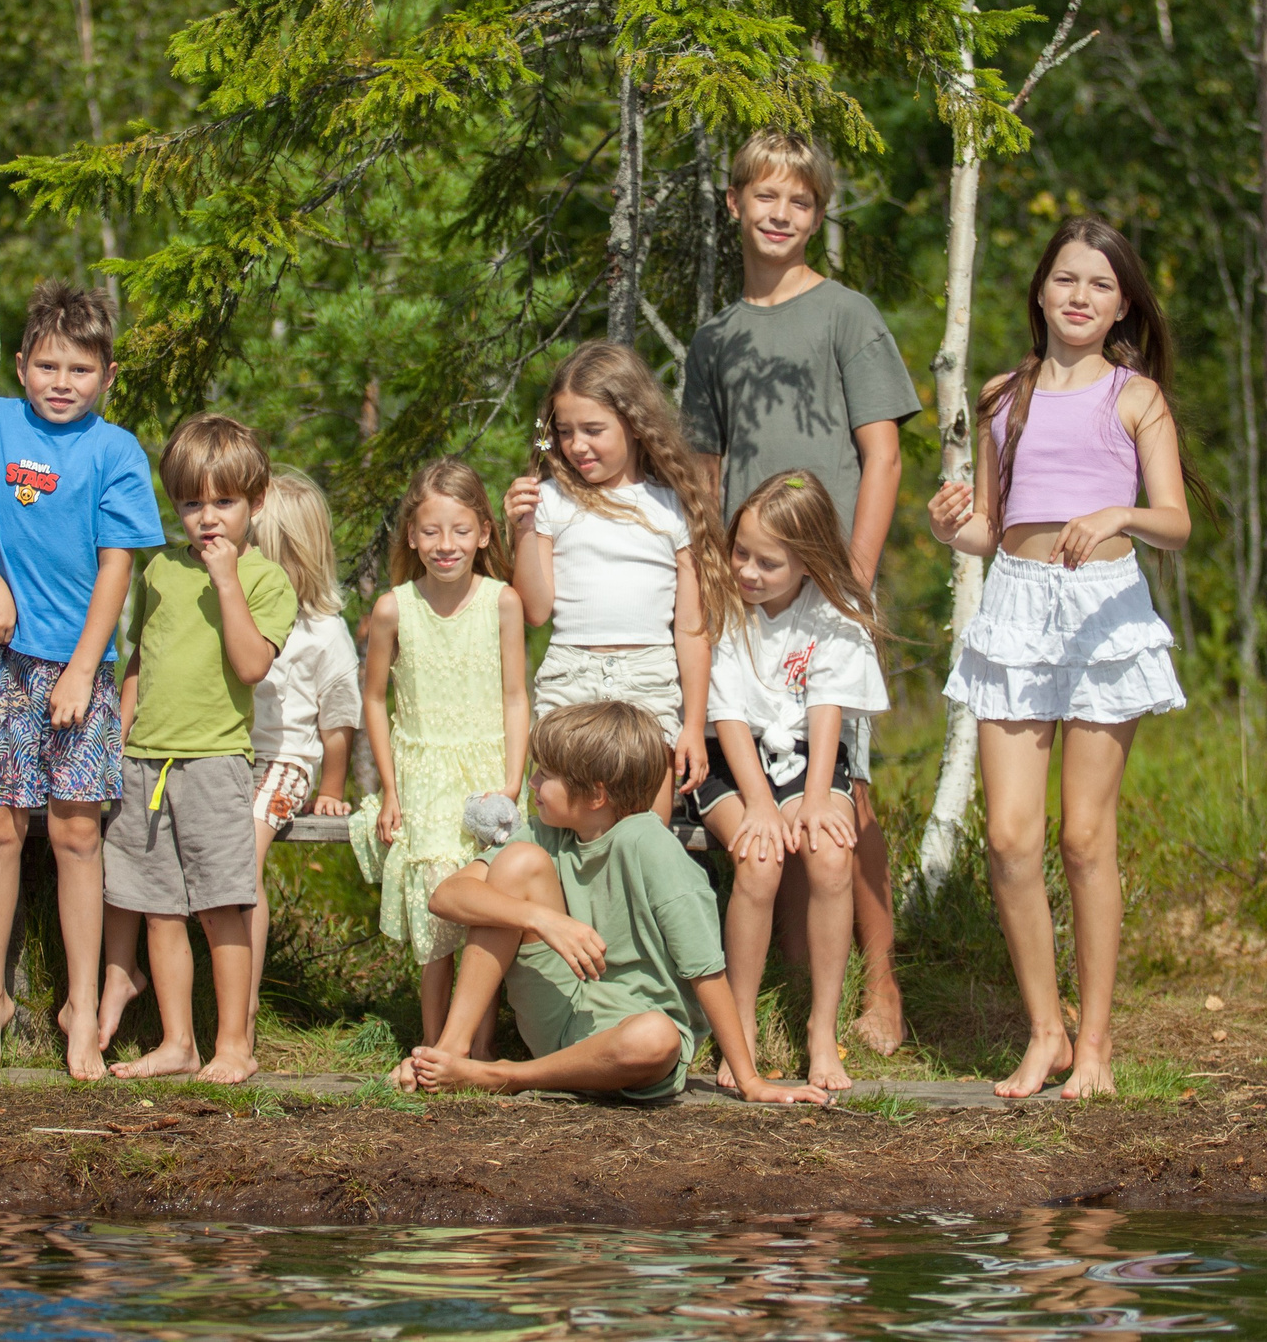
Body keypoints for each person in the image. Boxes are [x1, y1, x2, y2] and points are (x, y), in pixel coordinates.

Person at [926, 215, 1192, 1099]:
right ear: (1041, 289)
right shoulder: (1007, 394)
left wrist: (1119, 515)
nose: (1081, 297)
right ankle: (1045, 1033)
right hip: (1016, 605)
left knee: (1084, 836)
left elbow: (1177, 522)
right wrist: (946, 526)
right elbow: (991, 529)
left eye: (1101, 285)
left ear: (1122, 304)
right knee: (1009, 835)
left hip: (1102, 612)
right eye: (1067, 279)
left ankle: (1100, 1045)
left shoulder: (1136, 396)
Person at [680, 129, 922, 1055]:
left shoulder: (846, 314)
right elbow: (706, 469)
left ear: (818, 214)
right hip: (744, 586)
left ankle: (882, 980)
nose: (781, 215)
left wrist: (853, 577)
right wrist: (707, 579)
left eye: (802, 202)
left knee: (844, 794)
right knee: (763, 782)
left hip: (830, 585)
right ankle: (781, 984)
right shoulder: (716, 335)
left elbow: (883, 452)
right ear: (734, 202)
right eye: (765, 198)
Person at [0, 280, 167, 1080]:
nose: (60, 382)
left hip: (81, 668)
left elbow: (117, 568)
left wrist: (80, 670)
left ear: (105, 374)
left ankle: (78, 1007)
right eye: (46, 365)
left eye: (79, 368)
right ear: (23, 364)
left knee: (74, 832)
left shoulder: (115, 450)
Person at [397, 702, 827, 1105]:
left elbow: (706, 972)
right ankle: (450, 1053)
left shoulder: (652, 848)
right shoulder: (543, 832)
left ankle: (509, 1075)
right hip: (559, 1009)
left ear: (596, 795)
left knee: (656, 1038)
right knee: (515, 864)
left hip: (630, 1040)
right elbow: (447, 896)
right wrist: (543, 919)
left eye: (545, 774)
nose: (532, 784)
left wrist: (749, 1080)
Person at [96, 413, 295, 1084]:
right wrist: (116, 739)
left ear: (256, 502)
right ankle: (177, 1040)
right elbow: (139, 663)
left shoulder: (266, 579)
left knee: (220, 905)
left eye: (224, 501)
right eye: (190, 502)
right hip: (145, 759)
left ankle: (234, 1042)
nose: (207, 517)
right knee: (159, 907)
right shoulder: (157, 571)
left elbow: (250, 666)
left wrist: (227, 579)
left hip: (214, 761)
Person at [699, 470, 889, 1094]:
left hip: (808, 759)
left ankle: (821, 1031)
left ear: (807, 564)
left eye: (769, 563)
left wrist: (811, 802)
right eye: (742, 553)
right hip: (734, 759)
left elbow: (827, 711)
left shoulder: (834, 617)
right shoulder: (725, 609)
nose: (749, 571)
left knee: (832, 857)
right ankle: (743, 1026)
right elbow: (724, 715)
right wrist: (758, 803)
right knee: (759, 860)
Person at [505, 341, 736, 810]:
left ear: (634, 423)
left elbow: (691, 629)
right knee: (558, 816)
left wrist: (693, 725)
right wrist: (523, 530)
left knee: (647, 825)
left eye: (593, 429)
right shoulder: (548, 501)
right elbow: (535, 610)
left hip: (649, 678)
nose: (577, 446)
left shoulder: (674, 505)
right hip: (571, 674)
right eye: (564, 432)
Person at [352, 459, 530, 1054]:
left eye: (459, 530)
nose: (445, 545)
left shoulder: (503, 602)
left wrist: (511, 781)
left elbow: (514, 696)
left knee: (482, 900)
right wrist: (392, 789)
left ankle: (476, 1047)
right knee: (436, 908)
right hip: (422, 773)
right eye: (431, 531)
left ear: (483, 532)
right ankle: (434, 1044)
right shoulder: (394, 608)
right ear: (411, 536)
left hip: (489, 774)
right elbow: (375, 699)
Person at [242, 467, 361, 1018]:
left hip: (288, 761)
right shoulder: (239, 613)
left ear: (297, 557)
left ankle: (240, 1010)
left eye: (259, 549)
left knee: (243, 857)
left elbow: (338, 722)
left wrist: (331, 787)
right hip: (232, 753)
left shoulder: (324, 630)